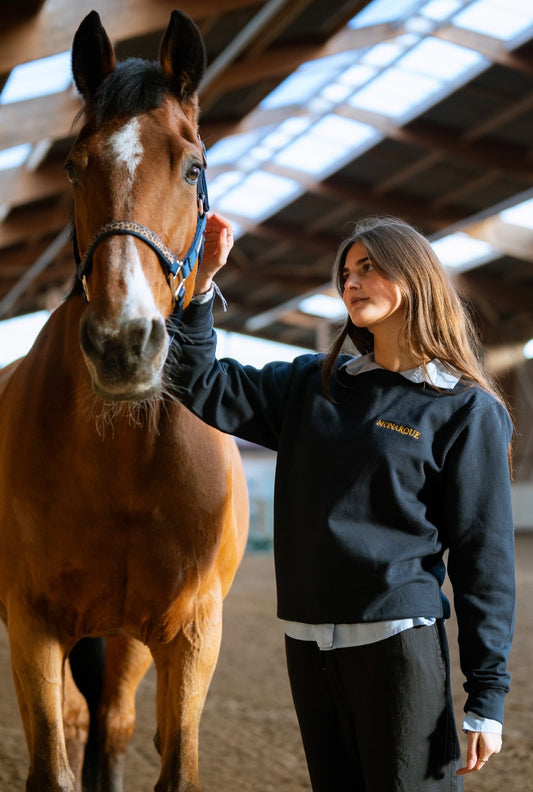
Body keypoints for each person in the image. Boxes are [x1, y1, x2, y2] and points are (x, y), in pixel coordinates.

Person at [170, 212, 515, 791]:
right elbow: (196, 379)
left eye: (369, 268)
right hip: (308, 647)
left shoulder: (464, 411)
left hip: (397, 648)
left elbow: (485, 563)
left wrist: (488, 695)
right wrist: (202, 284)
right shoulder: (312, 384)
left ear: (414, 278)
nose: (351, 282)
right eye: (347, 271)